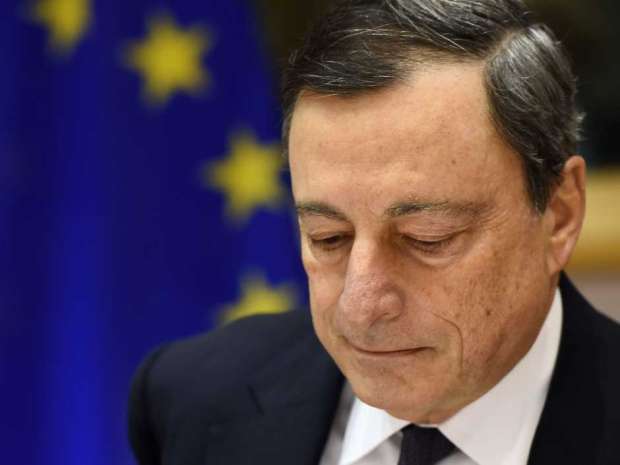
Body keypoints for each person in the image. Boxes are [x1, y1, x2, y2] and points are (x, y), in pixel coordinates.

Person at [128, 1, 620, 464]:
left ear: (558, 214)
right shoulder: (193, 397)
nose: (360, 307)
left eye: (428, 238)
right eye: (328, 237)